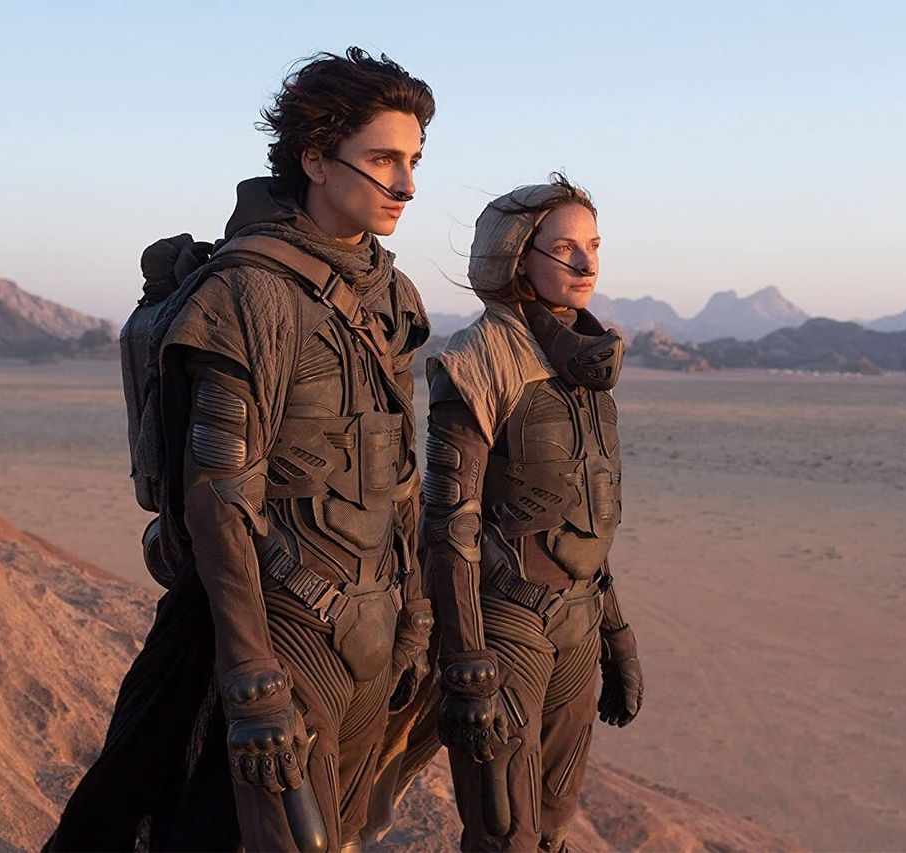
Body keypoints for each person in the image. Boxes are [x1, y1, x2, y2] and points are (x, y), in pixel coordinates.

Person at [45, 48, 435, 852]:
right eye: (383, 160)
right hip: (286, 627)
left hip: (376, 631)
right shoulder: (249, 292)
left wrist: (416, 615)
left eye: (415, 161)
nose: (406, 184)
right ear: (316, 159)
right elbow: (219, 500)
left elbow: (400, 472)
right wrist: (252, 678)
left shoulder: (392, 295)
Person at [372, 174, 644, 852]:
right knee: (505, 835)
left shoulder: (587, 370)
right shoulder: (478, 360)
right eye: (565, 248)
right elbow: (449, 524)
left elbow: (585, 518)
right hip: (506, 628)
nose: (586, 263)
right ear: (520, 257)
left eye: (594, 246)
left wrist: (617, 635)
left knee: (552, 831)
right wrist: (466, 661)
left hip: (579, 625)